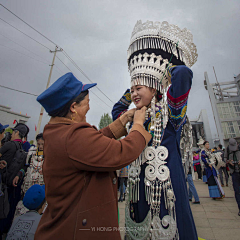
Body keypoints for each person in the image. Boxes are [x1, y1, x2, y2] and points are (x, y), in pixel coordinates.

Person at [34, 72, 151, 240]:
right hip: (77, 231)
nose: (89, 108)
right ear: (73, 107)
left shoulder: (58, 131)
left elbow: (95, 143)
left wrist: (123, 119)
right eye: (87, 103)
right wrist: (138, 125)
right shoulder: (73, 137)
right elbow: (121, 152)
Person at [112, 20, 198, 239]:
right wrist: (134, 85)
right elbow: (117, 109)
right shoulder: (132, 119)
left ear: (154, 87)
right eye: (132, 90)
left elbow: (184, 75)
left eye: (139, 88)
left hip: (167, 185)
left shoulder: (172, 115)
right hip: (138, 186)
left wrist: (163, 75)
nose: (134, 94)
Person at [0, 123, 29, 238]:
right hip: (10, 187)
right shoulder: (21, 149)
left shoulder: (9, 145)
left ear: (17, 133)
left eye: (13, 132)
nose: (11, 134)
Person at [15, 133, 45, 217]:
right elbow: (25, 167)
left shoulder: (50, 156)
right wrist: (19, 175)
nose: (41, 146)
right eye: (39, 144)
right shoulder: (31, 153)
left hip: (41, 185)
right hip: (28, 185)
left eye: (43, 144)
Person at [224, 138, 240, 216]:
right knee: (237, 191)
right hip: (234, 172)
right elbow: (224, 159)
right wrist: (228, 161)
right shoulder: (227, 149)